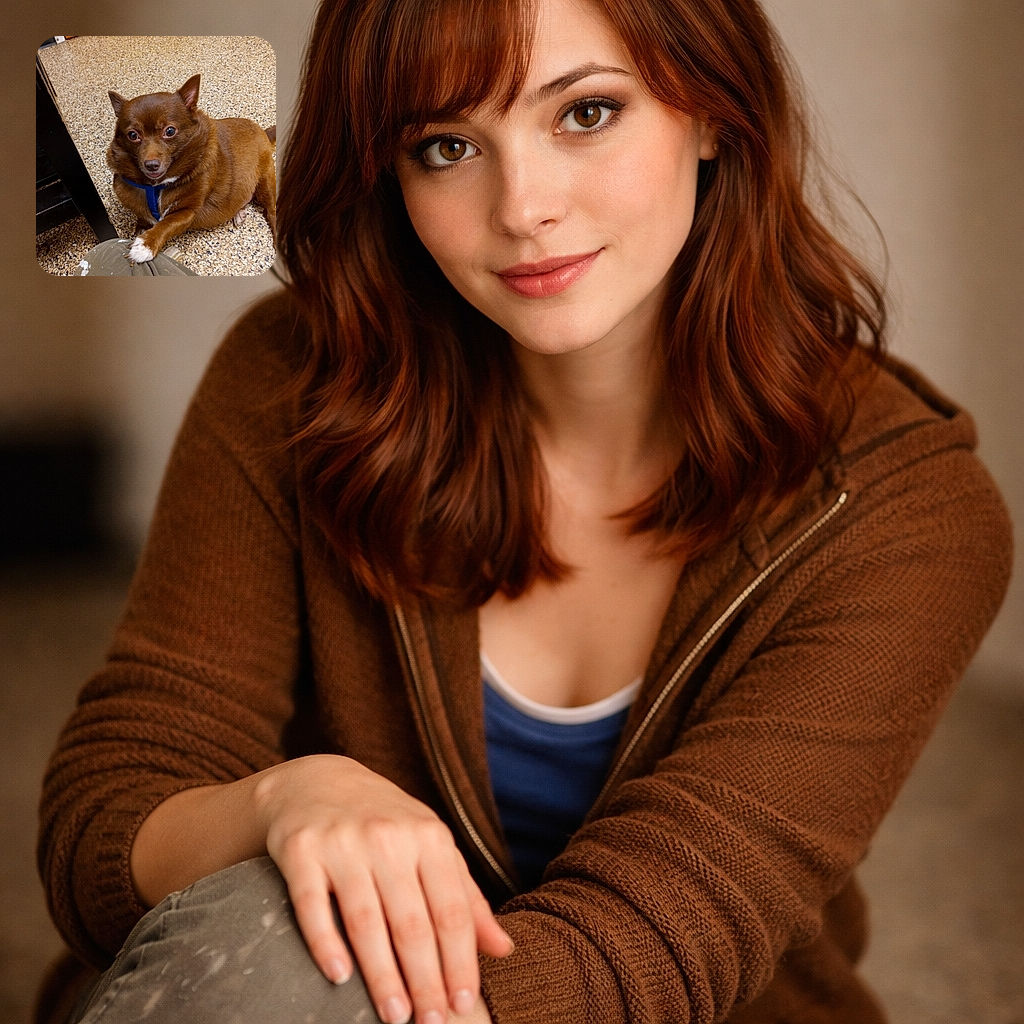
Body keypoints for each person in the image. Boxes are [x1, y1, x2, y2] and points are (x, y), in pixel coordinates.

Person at [36, 0, 1012, 1022]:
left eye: (586, 113)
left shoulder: (905, 511)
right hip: (251, 984)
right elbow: (105, 829)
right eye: (445, 144)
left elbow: (649, 948)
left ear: (715, 112)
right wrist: (288, 800)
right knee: (278, 938)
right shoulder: (290, 382)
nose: (521, 207)